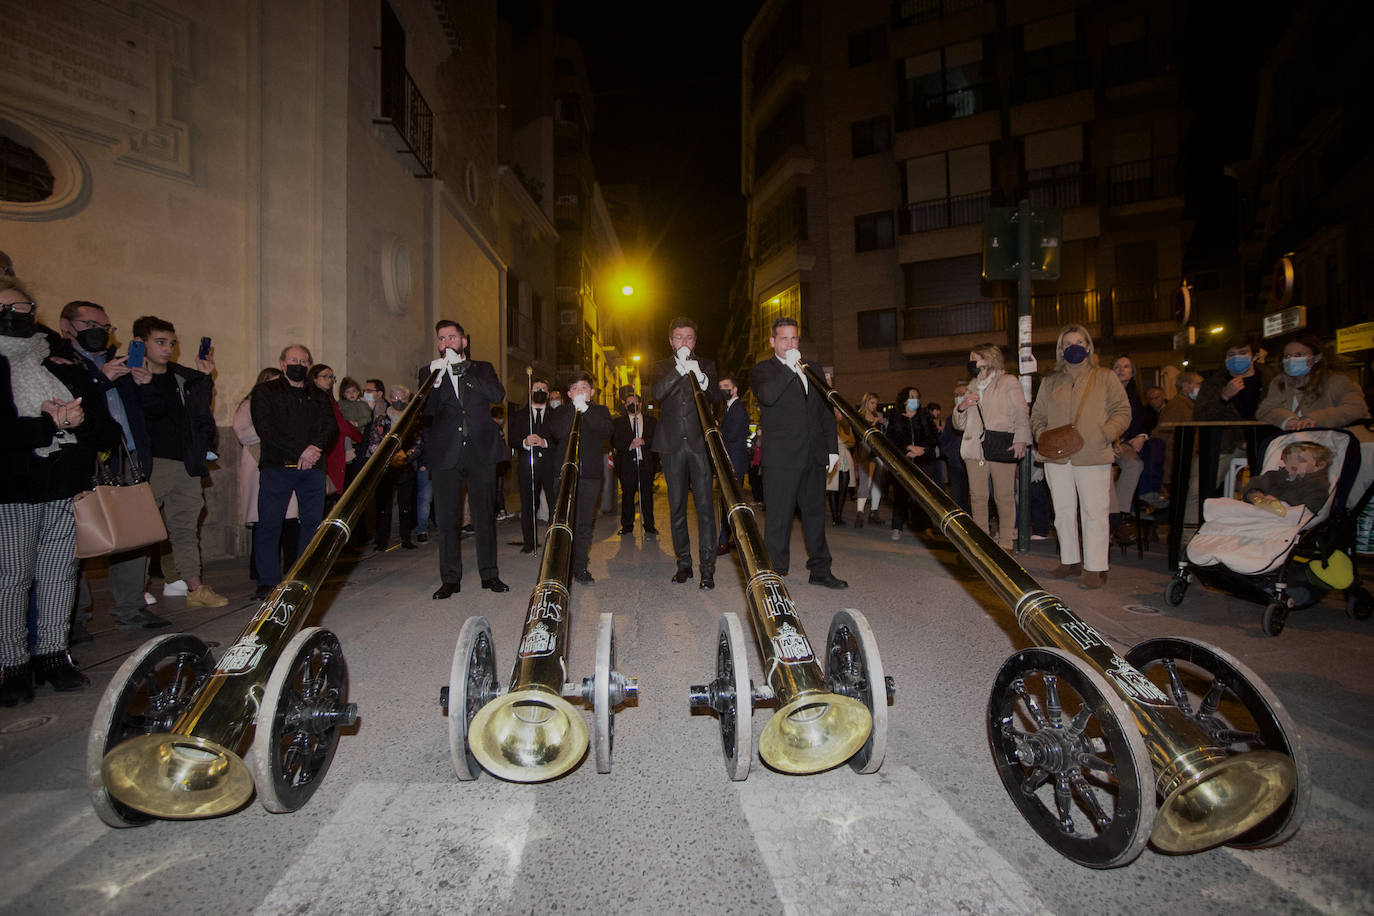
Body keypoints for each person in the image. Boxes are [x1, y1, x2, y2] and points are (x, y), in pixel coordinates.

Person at [2, 278, 120, 704]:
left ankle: (53, 653)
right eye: (8, 308)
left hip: (63, 483)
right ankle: (10, 663)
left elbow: (103, 427)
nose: (19, 316)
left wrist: (75, 419)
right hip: (12, 488)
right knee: (12, 578)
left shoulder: (57, 361)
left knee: (57, 573)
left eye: (24, 307)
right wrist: (48, 424)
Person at [59, 300, 171, 631]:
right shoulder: (62, 362)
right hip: (83, 458)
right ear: (68, 327)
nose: (100, 333)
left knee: (135, 532)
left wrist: (145, 385)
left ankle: (131, 606)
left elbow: (152, 413)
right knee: (78, 536)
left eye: (105, 328)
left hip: (128, 456)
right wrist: (101, 381)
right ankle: (72, 617)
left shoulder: (118, 360)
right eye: (91, 326)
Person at [130, 316, 229, 608]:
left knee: (185, 527)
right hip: (151, 463)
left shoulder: (181, 377)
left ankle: (195, 588)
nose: (168, 349)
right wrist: (144, 386)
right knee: (143, 530)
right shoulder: (127, 376)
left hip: (185, 463)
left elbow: (200, 413)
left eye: (171, 343)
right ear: (140, 343)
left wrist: (206, 376)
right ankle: (133, 592)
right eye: (160, 342)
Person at [1030, 325, 1130, 589]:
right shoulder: (1050, 380)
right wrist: (1043, 435)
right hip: (1057, 456)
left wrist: (1104, 434)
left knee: (1094, 511)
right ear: (1061, 350)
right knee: (1063, 512)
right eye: (1067, 343)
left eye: (1079, 342)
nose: (1073, 347)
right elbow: (1037, 415)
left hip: (1093, 454)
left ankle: (1096, 567)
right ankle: (1069, 560)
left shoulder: (1105, 377)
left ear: (1088, 346)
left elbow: (1122, 411)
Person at [750, 317, 846, 589]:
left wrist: (831, 449)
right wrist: (790, 369)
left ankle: (820, 569)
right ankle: (775, 573)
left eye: (794, 339)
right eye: (784, 339)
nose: (790, 343)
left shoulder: (813, 368)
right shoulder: (764, 370)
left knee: (815, 515)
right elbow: (767, 396)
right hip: (781, 458)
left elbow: (825, 411)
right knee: (779, 518)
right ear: (772, 342)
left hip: (813, 455)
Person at [421, 320, 508, 598]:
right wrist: (435, 380)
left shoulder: (482, 368)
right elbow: (426, 410)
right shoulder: (430, 371)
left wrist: (462, 370)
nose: (447, 342)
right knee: (447, 520)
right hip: (447, 454)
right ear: (438, 344)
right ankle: (450, 579)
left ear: (463, 341)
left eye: (452, 337)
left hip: (480, 452)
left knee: (484, 516)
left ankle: (490, 574)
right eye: (442, 338)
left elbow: (497, 395)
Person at [250, 344, 337, 598]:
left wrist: (316, 448)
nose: (298, 364)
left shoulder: (319, 395)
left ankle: (302, 578)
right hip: (277, 467)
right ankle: (267, 581)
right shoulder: (266, 391)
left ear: (309, 365)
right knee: (269, 524)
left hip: (312, 469)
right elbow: (266, 428)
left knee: (311, 523)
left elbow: (329, 427)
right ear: (282, 363)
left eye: (303, 360)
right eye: (293, 360)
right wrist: (302, 451)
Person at [650, 317, 721, 589]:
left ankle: (708, 569)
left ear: (695, 341)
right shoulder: (661, 367)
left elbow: (715, 396)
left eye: (689, 338)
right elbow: (657, 393)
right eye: (679, 337)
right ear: (671, 341)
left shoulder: (707, 365)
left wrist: (700, 376)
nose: (684, 342)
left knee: (705, 509)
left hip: (699, 443)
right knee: (677, 507)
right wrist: (679, 369)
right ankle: (684, 565)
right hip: (671, 445)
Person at [952, 344, 1030, 552]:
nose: (971, 363)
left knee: (1003, 496)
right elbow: (958, 425)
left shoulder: (1008, 382)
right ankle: (982, 543)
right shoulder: (971, 386)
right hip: (974, 448)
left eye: (974, 358)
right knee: (977, 497)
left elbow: (1021, 412)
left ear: (989, 359)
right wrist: (961, 407)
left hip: (999, 445)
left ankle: (1005, 543)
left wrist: (1021, 439)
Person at [234, 368, 299, 587]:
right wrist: (271, 428)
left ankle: (292, 568)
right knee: (265, 521)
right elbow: (243, 433)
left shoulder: (287, 403)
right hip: (257, 465)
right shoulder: (248, 405)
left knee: (290, 519)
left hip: (284, 465)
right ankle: (260, 570)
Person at [547, 373, 614, 583]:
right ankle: (560, 568)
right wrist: (575, 410)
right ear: (569, 394)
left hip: (590, 475)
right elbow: (558, 432)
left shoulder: (600, 411)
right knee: (563, 522)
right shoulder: (561, 412)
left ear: (592, 392)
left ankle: (580, 567)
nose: (580, 392)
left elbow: (606, 431)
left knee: (584, 524)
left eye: (584, 387)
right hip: (564, 474)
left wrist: (586, 410)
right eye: (575, 388)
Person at [1257, 334, 1370, 432]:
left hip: (1330, 441)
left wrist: (1315, 419)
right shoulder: (1279, 382)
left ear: (1317, 357)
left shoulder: (1336, 380)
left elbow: (1357, 407)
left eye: (1299, 355)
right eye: (1287, 356)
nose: (1292, 360)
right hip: (1292, 440)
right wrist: (1286, 419)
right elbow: (1265, 410)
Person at [509, 375, 561, 553]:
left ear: (548, 394)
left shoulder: (556, 416)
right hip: (527, 467)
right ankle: (529, 542)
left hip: (550, 466)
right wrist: (524, 442)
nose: (539, 392)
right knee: (529, 505)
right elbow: (512, 439)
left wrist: (545, 442)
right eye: (536, 390)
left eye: (543, 390)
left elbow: (562, 440)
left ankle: (556, 540)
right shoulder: (519, 415)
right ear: (530, 393)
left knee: (555, 504)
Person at [368, 384, 420, 552]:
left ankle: (406, 538)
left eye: (403, 399)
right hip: (385, 467)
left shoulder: (412, 419)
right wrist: (387, 457)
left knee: (406, 504)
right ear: (390, 399)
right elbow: (374, 441)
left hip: (405, 466)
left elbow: (419, 442)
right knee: (384, 506)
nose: (399, 401)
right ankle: (381, 540)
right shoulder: (382, 419)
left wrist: (406, 456)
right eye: (396, 398)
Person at [884, 385, 938, 541]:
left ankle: (926, 526)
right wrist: (907, 447)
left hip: (924, 460)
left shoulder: (925, 416)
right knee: (900, 494)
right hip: (903, 460)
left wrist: (924, 449)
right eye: (912, 397)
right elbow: (891, 439)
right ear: (904, 400)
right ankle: (897, 526)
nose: (915, 400)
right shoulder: (895, 417)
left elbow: (934, 437)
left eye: (917, 397)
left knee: (923, 495)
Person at [1107, 354, 1150, 544]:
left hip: (1124, 443)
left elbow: (1148, 421)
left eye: (1126, 366)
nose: (1121, 370)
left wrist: (1142, 436)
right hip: (1104, 441)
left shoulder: (1137, 395)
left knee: (1134, 464)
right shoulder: (1104, 391)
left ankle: (1120, 515)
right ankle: (1112, 518)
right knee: (1104, 467)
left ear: (1132, 372)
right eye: (1117, 366)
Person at [309, 364, 363, 508]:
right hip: (325, 450)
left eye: (331, 377)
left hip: (331, 449)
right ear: (314, 379)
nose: (329, 380)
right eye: (325, 376)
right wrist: (358, 436)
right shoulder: (318, 398)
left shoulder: (329, 399)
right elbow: (340, 424)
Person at [612, 385, 657, 538]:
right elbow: (615, 442)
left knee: (647, 496)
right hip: (627, 465)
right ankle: (627, 526)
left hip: (646, 464)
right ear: (625, 406)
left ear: (640, 404)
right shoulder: (618, 423)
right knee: (627, 496)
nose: (632, 404)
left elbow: (657, 440)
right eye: (629, 402)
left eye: (635, 402)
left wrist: (645, 441)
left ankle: (650, 526)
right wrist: (629, 445)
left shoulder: (651, 421)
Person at [1243, 441, 1332, 516]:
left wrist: (1281, 505)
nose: (1293, 463)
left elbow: (1311, 508)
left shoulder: (1317, 484)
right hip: (1260, 512)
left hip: (1288, 519)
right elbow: (1255, 483)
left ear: (1319, 466)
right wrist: (1254, 494)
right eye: (1289, 459)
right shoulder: (1274, 476)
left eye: (1301, 460)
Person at [715, 375, 748, 552]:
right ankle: (733, 538)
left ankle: (724, 541)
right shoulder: (729, 408)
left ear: (734, 389)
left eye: (726, 386)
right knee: (730, 503)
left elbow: (732, 435)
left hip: (734, 462)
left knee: (729, 503)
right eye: (720, 386)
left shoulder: (738, 409)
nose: (722, 390)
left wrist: (717, 430)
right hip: (731, 461)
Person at [852, 392, 888, 525]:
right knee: (865, 481)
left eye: (876, 403)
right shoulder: (859, 416)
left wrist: (883, 423)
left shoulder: (877, 416)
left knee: (877, 482)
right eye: (872, 403)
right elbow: (860, 433)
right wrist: (875, 422)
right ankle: (859, 514)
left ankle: (874, 512)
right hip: (864, 450)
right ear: (866, 401)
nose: (874, 406)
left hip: (878, 452)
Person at [939, 382, 971, 513]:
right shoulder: (950, 418)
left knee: (976, 496)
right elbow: (944, 439)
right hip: (955, 464)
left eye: (962, 394)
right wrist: (949, 453)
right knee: (958, 496)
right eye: (956, 395)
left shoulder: (975, 416)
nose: (958, 397)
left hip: (971, 462)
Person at [827, 404, 856, 526]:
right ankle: (834, 516)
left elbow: (852, 442)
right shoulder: (828, 425)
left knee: (843, 489)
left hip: (845, 458)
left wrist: (845, 442)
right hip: (833, 457)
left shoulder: (846, 426)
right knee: (833, 489)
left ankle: (839, 514)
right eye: (834, 411)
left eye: (839, 411)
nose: (837, 414)